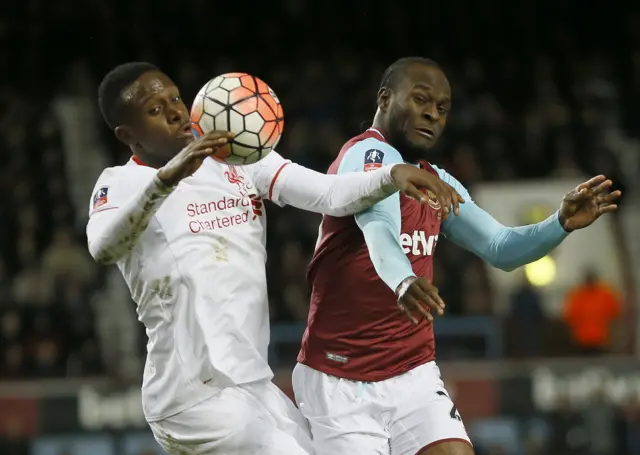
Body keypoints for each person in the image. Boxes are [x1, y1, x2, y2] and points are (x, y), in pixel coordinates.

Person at [86, 62, 456, 455]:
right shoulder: (120, 183)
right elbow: (103, 247)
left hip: (254, 385)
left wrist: (389, 176)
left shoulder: (235, 157)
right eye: (154, 110)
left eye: (175, 98)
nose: (176, 111)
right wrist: (165, 181)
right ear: (128, 135)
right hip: (190, 398)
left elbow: (327, 193)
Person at [293, 57, 621, 455]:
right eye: (420, 99)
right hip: (339, 374)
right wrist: (404, 280)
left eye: (443, 108)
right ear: (385, 98)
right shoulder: (366, 157)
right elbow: (378, 226)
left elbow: (501, 248)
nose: (432, 113)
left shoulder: (437, 181)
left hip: (410, 370)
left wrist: (560, 223)